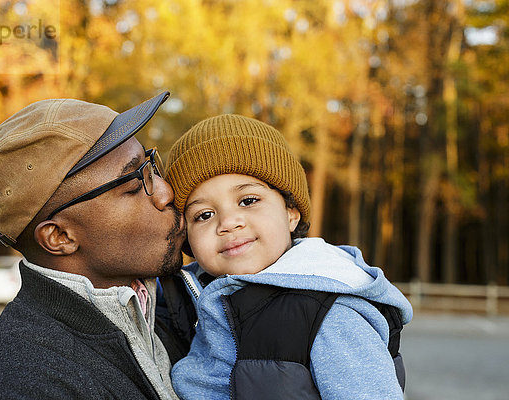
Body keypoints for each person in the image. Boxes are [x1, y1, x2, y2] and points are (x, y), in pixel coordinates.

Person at [0, 92, 186, 399]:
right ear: (59, 237)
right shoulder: (18, 385)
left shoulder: (172, 311)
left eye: (150, 165)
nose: (166, 192)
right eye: (132, 185)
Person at [161, 114, 413, 399]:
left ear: (291, 213)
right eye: (204, 215)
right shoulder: (190, 304)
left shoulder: (327, 311)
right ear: (188, 239)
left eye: (248, 201)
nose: (229, 223)